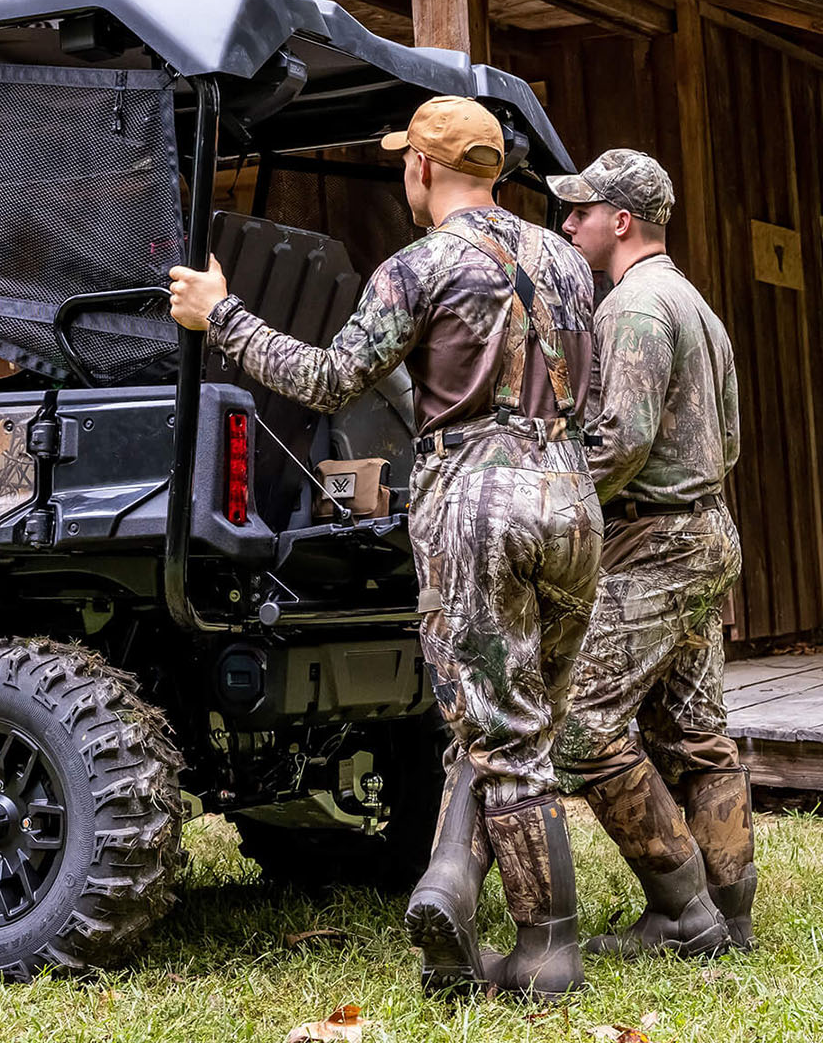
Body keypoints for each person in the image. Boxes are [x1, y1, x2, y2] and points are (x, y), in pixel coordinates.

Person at [168, 96, 602, 999]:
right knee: (526, 725)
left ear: (423, 169)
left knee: (500, 734)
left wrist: (224, 315)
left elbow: (328, 381)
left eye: (406, 159)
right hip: (570, 496)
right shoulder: (567, 259)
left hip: (476, 503)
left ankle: (545, 953)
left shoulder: (418, 266)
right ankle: (453, 888)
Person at [550, 149, 751, 956]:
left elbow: (620, 439)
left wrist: (553, 499)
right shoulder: (695, 304)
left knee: (584, 729)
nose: (568, 225)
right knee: (696, 731)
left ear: (620, 221)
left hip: (655, 544)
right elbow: (729, 436)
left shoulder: (630, 308)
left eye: (580, 212)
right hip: (708, 531)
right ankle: (730, 916)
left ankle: (680, 913)